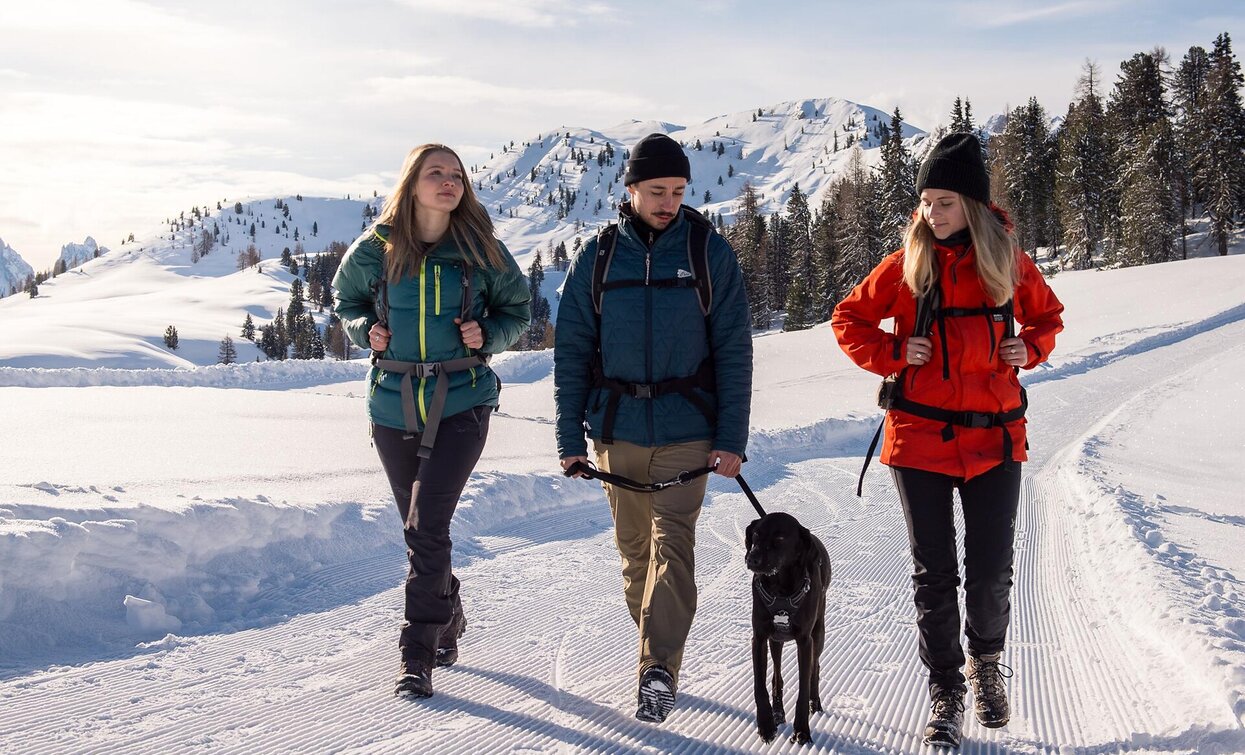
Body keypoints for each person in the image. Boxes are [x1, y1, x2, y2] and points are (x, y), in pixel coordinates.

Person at [831, 132, 1064, 747]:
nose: (932, 214)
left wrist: (1030, 347)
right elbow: (847, 318)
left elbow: (1049, 318)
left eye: (944, 203)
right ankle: (945, 689)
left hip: (995, 441)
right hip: (919, 442)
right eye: (926, 202)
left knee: (989, 573)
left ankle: (986, 663)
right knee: (934, 576)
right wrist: (890, 352)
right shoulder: (910, 262)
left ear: (975, 205)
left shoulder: (1006, 262)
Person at [553, 133, 753, 724]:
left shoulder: (707, 253)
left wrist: (730, 438)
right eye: (657, 190)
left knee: (673, 546)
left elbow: (734, 352)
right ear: (632, 189)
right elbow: (571, 351)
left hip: (688, 428)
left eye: (678, 191)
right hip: (615, 432)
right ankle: (657, 645)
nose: (668, 202)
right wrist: (569, 440)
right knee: (635, 551)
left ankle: (659, 669)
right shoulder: (598, 257)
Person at [333, 144, 530, 699]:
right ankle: (449, 612)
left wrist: (487, 335)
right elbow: (345, 303)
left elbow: (518, 311)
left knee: (426, 528)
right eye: (435, 173)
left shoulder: (481, 249)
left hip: (462, 401)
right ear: (411, 183)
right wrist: (361, 330)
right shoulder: (374, 250)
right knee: (420, 533)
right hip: (391, 405)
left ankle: (415, 652)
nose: (449, 182)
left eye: (457, 176)